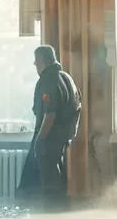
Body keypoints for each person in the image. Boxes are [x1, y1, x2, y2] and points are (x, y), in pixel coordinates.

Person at [23, 45, 81, 209]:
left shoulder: (48, 81)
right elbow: (77, 108)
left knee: (48, 180)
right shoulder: (66, 78)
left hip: (49, 138)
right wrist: (70, 134)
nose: (34, 64)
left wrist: (40, 139)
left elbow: (50, 113)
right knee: (58, 177)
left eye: (36, 60)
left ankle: (51, 214)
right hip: (62, 138)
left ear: (41, 59)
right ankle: (59, 212)